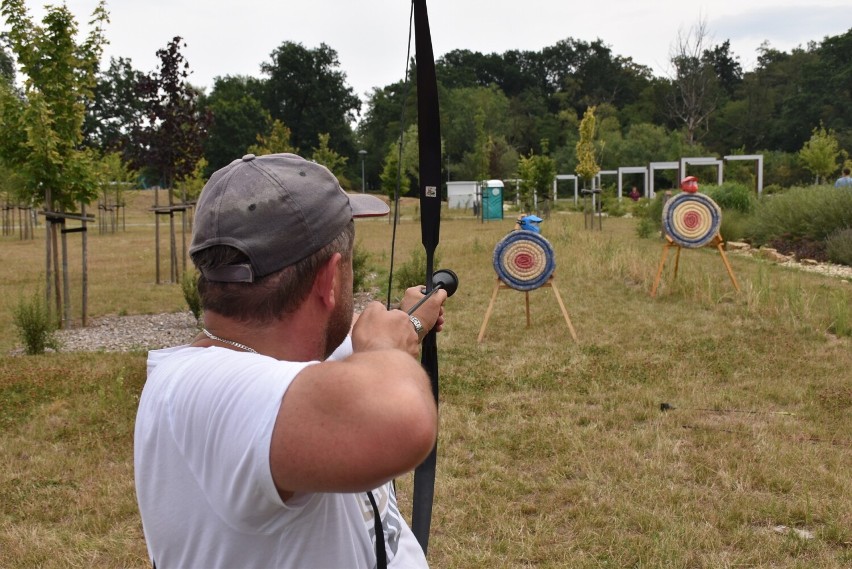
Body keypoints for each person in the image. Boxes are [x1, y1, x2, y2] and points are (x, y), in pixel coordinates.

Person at [134, 153, 448, 568]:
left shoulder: (272, 355)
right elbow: (402, 418)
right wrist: (387, 348)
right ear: (328, 279)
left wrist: (411, 321)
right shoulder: (203, 391)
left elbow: (350, 341)